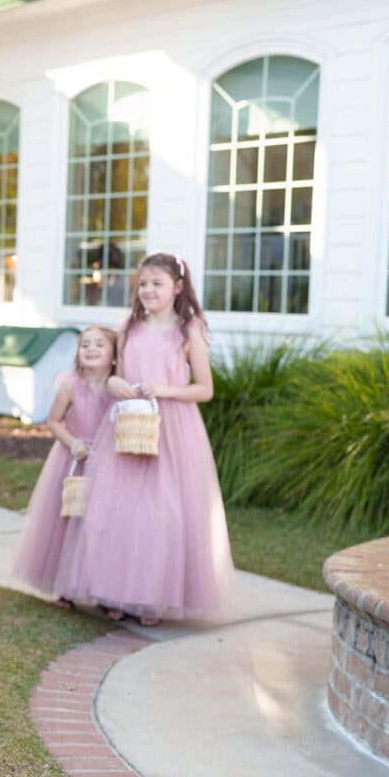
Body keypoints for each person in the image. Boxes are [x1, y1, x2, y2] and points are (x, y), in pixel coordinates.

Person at [64, 253, 235, 626]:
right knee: (115, 509)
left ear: (177, 287)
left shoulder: (189, 329)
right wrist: (115, 383)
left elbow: (204, 389)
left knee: (161, 515)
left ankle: (151, 599)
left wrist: (166, 389)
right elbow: (116, 375)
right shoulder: (129, 326)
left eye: (157, 283)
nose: (148, 290)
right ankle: (116, 593)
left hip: (171, 428)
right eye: (142, 283)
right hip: (126, 424)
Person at [12, 326, 115, 606]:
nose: (91, 349)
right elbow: (54, 420)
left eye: (99, 345)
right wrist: (73, 444)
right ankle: (67, 585)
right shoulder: (71, 385)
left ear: (114, 354)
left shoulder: (117, 387)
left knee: (101, 526)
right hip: (73, 460)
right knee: (69, 524)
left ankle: (102, 587)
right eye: (85, 345)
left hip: (107, 465)